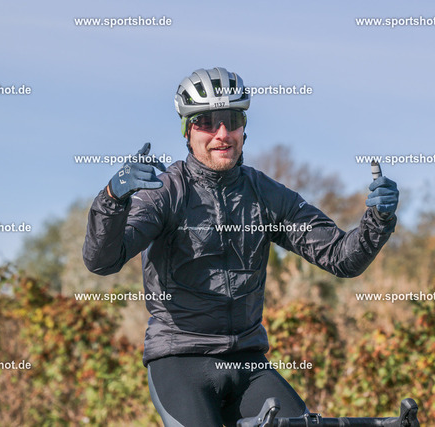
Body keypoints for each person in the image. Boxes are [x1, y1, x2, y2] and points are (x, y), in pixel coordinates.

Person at [83, 67, 399, 427]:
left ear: (243, 128)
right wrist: (112, 200)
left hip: (247, 361)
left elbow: (342, 258)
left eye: (231, 120)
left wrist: (378, 219)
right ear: (188, 132)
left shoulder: (265, 194)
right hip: (179, 358)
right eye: (206, 122)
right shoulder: (165, 193)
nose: (222, 134)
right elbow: (102, 261)